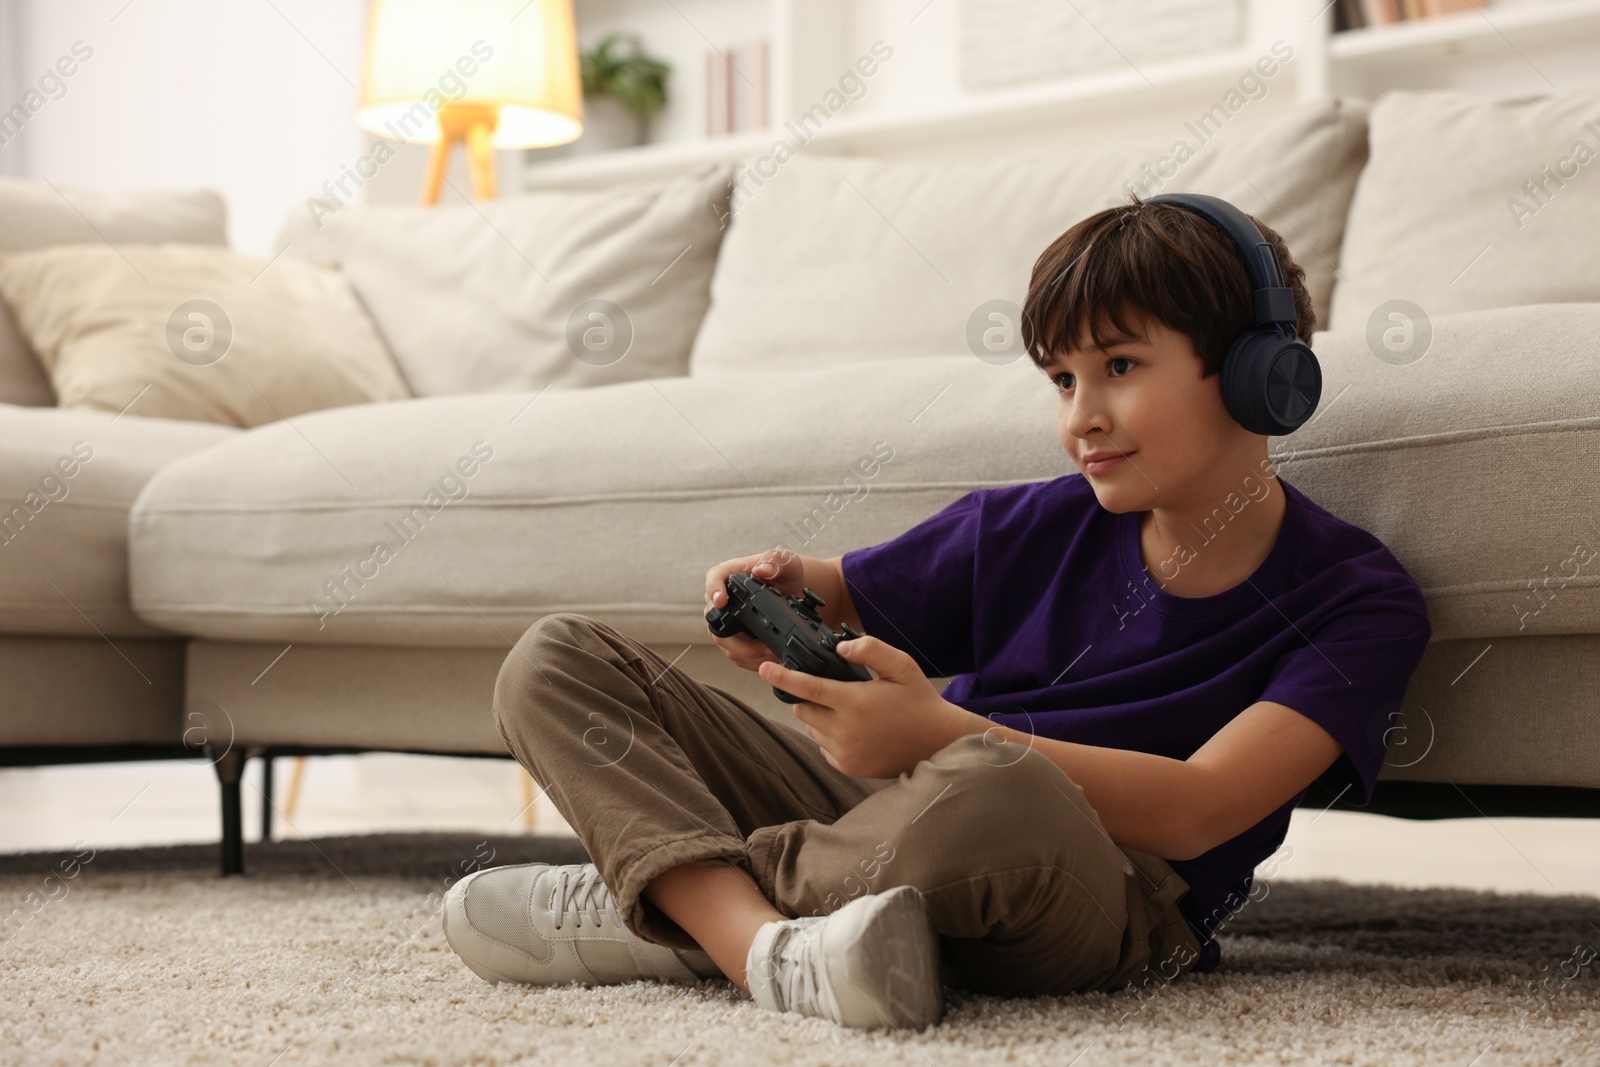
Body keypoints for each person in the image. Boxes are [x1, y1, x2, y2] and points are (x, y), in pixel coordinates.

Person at [438, 192, 1433, 1032]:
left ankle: (682, 903)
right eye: (1061, 379)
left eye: (1119, 368)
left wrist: (941, 730)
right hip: (891, 817)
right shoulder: (1030, 523)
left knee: (992, 785)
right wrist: (791, 586)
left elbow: (1201, 804)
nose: (1079, 415)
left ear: (1266, 375)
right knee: (554, 657)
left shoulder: (1357, 599)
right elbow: (848, 587)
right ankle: (761, 944)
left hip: (1098, 886)